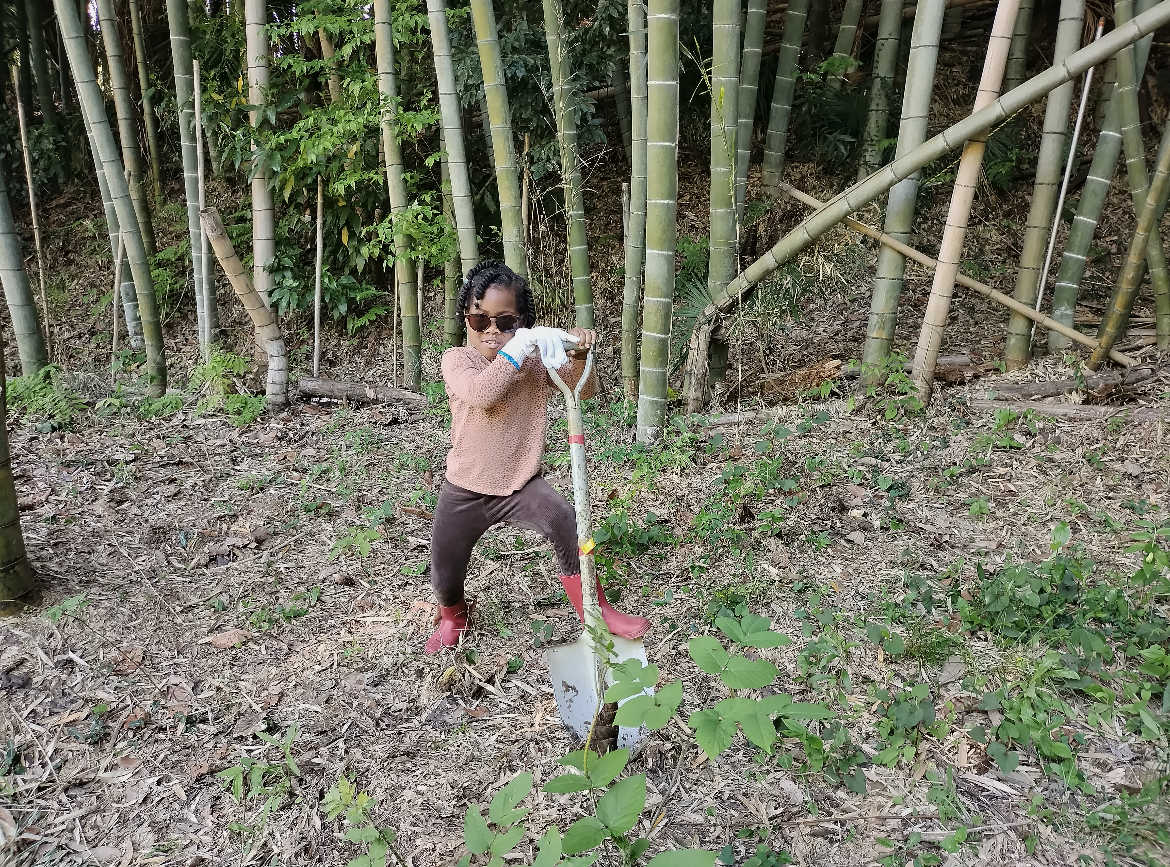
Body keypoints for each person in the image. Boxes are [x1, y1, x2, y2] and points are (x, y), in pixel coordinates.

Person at [425, 260, 650, 653]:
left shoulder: (532, 359)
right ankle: (454, 615)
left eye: (505, 322)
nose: (492, 332)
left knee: (566, 520)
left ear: (522, 321)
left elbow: (582, 388)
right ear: (466, 320)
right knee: (444, 573)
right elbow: (482, 394)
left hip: (519, 484)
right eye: (481, 321)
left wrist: (577, 352)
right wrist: (520, 345)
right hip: (464, 488)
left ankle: (594, 610)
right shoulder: (457, 360)